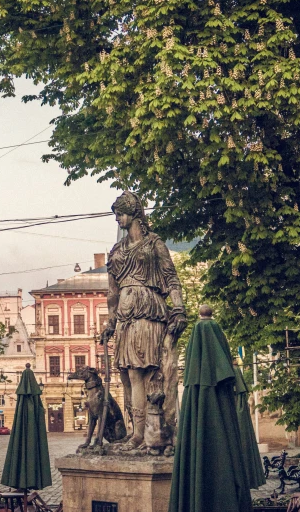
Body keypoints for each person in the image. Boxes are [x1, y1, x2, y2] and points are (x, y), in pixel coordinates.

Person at [101, 191, 187, 453]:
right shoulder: (117, 250)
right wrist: (110, 323)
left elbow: (171, 278)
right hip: (126, 316)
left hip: (148, 310)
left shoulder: (153, 244)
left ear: (134, 213)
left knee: (142, 373)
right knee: (126, 376)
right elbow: (112, 292)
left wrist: (179, 308)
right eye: (116, 215)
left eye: (121, 213)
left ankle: (144, 434)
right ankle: (137, 432)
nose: (118, 219)